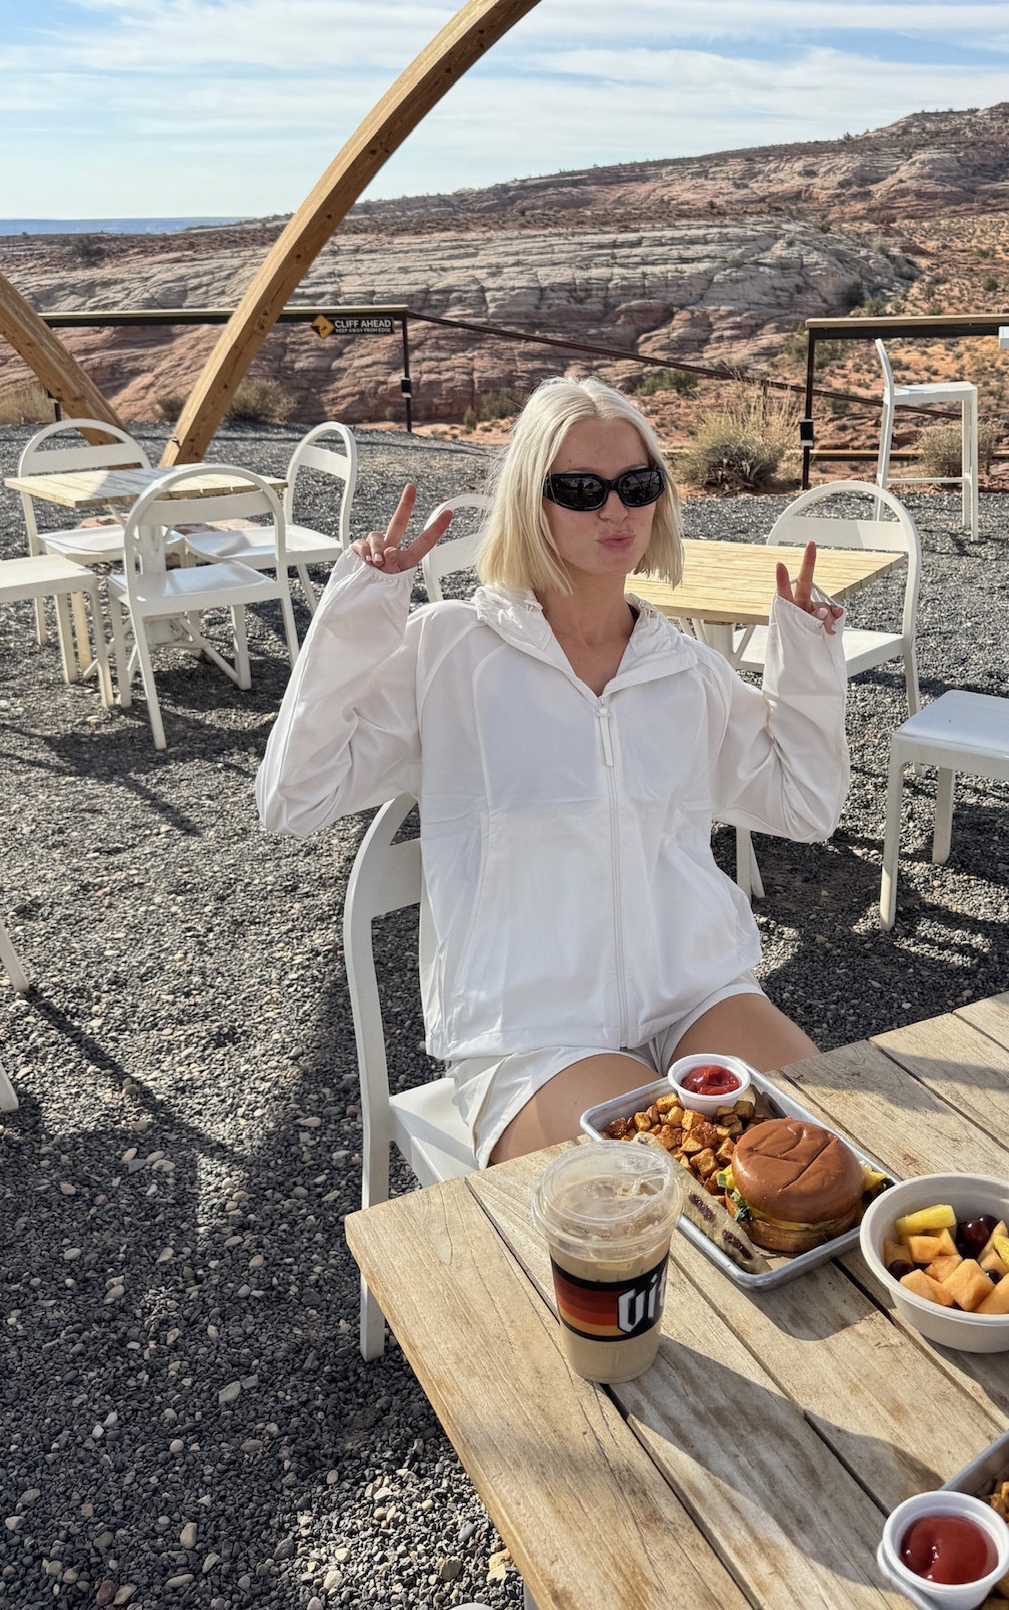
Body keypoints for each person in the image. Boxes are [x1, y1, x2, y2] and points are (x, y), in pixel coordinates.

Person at [257, 377, 849, 1165]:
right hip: (532, 1032)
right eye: (579, 489)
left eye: (637, 485)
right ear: (529, 501)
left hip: (698, 992)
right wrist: (361, 611)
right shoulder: (449, 653)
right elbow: (292, 798)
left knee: (821, 1164)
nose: (616, 511)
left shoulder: (683, 670)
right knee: (650, 1201)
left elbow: (806, 809)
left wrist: (806, 662)